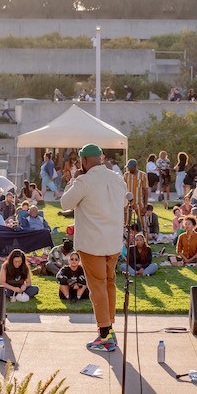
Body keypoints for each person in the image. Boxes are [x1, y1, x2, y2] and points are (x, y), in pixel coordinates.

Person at [60, 143, 127, 352]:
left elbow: (65, 203)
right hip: (113, 242)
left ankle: (105, 333)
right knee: (109, 284)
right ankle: (110, 326)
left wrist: (74, 179)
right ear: (101, 158)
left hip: (92, 244)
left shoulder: (84, 181)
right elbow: (123, 203)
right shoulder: (117, 178)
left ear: (84, 161)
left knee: (97, 286)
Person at [124, 158, 150, 233]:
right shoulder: (126, 175)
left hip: (139, 202)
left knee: (143, 224)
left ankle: (145, 241)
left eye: (130, 167)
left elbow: (146, 191)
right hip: (127, 202)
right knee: (126, 223)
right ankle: (127, 241)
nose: (128, 169)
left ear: (135, 167)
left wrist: (145, 206)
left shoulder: (142, 175)